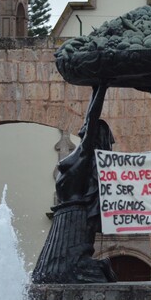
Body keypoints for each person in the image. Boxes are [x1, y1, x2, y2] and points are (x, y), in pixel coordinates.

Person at [32, 84, 117, 284]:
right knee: (48, 273)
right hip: (66, 217)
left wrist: (100, 87)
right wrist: (98, 87)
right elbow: (91, 118)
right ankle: (99, 267)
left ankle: (99, 267)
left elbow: (92, 117)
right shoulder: (80, 155)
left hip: (74, 218)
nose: (82, 129)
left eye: (88, 129)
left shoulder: (85, 156)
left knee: (56, 272)